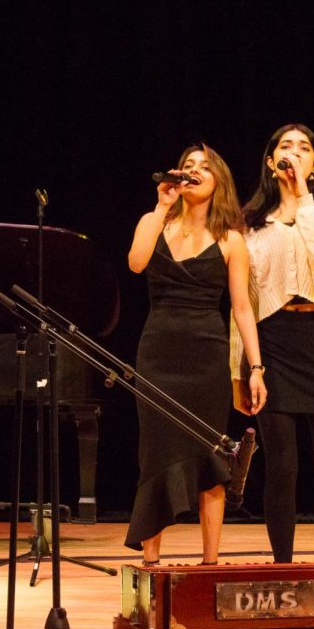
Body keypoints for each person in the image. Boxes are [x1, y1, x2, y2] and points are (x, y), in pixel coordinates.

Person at [124, 143, 265, 566]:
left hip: (206, 358)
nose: (193, 171)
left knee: (210, 459)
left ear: (218, 180)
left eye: (204, 167)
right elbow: (135, 263)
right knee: (155, 457)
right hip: (158, 353)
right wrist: (160, 205)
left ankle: (209, 566)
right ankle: (150, 566)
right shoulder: (155, 222)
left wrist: (255, 368)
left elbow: (242, 308)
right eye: (187, 166)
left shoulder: (230, 240)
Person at [230, 124, 314, 563]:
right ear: (270, 160)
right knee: (281, 465)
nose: (294, 153)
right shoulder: (248, 225)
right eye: (285, 146)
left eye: (305, 148)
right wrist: (240, 370)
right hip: (272, 341)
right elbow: (240, 304)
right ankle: (281, 564)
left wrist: (303, 197)